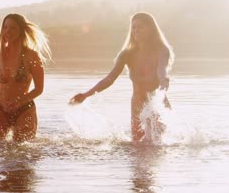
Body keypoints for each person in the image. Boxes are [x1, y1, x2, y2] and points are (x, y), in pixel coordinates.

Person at [70, 12, 174, 141]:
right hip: (137, 103)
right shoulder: (126, 54)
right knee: (137, 144)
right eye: (134, 27)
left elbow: (161, 69)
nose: (136, 31)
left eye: (140, 27)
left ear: (151, 29)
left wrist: (164, 80)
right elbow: (109, 79)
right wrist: (86, 95)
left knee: (158, 143)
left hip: (157, 102)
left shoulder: (162, 50)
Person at [0, 13, 51, 142]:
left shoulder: (32, 56)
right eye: (5, 27)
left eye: (12, 28)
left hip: (24, 110)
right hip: (1, 110)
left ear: (21, 30)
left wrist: (19, 101)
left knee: (20, 153)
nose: (8, 31)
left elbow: (39, 89)